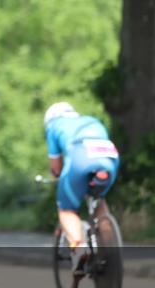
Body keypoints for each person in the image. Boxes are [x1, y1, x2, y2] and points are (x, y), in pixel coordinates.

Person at [43, 102, 120, 272]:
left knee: (66, 210)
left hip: (80, 158)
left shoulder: (54, 126)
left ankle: (79, 248)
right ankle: (110, 250)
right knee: (99, 203)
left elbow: (56, 168)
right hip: (109, 158)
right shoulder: (92, 121)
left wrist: (61, 177)